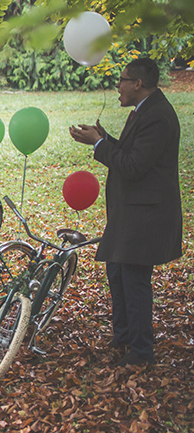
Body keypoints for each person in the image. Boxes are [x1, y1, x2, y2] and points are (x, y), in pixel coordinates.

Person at [69, 57, 182, 366]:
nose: (116, 86)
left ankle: (141, 352)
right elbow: (134, 153)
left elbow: (133, 166)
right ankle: (124, 336)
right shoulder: (142, 111)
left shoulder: (158, 116)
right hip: (131, 213)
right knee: (117, 272)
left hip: (145, 215)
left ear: (137, 84)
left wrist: (99, 145)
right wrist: (104, 139)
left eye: (121, 80)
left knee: (134, 280)